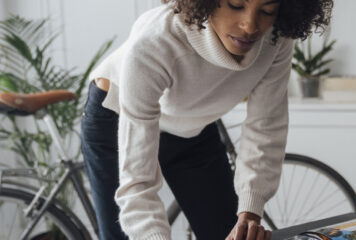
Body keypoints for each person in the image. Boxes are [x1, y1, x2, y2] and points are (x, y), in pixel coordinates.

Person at [80, 0, 333, 239]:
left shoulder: (276, 37)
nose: (250, 26)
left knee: (228, 230)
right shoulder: (155, 43)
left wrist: (250, 213)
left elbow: (266, 125)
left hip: (192, 126)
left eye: (267, 10)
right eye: (236, 5)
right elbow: (137, 185)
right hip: (116, 116)